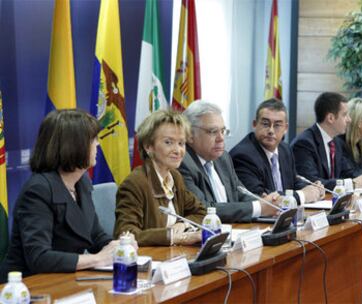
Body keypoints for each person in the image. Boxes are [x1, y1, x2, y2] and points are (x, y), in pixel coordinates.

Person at [1, 109, 131, 282]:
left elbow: (95, 235)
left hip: (64, 279)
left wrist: (119, 246)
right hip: (29, 286)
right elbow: (39, 258)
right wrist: (98, 259)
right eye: (93, 140)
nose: (98, 144)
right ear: (73, 145)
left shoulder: (81, 182)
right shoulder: (38, 190)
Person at [178, 100, 281, 223]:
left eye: (223, 131)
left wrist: (265, 202)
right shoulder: (183, 163)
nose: (221, 138)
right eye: (213, 132)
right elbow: (203, 209)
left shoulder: (223, 158)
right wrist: (259, 208)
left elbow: (240, 193)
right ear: (189, 135)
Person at [114, 110, 206, 246]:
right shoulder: (135, 183)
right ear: (148, 147)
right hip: (148, 261)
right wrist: (174, 237)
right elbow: (126, 233)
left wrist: (183, 224)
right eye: (168, 142)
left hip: (173, 258)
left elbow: (202, 212)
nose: (178, 150)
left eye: (181, 143)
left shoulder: (174, 177)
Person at [230, 98, 324, 204]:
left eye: (277, 125)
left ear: (286, 128)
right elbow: (260, 197)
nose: (271, 130)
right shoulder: (243, 156)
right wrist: (302, 195)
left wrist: (312, 189)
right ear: (255, 124)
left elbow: (293, 182)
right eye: (265, 124)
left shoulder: (285, 150)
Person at [291, 92, 362, 190]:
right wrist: (352, 184)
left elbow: (347, 172)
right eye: (345, 115)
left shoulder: (336, 142)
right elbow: (311, 182)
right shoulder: (304, 144)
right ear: (330, 118)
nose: (349, 120)